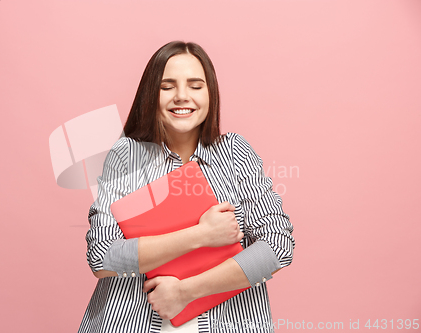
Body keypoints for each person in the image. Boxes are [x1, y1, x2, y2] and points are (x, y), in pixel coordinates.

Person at [78, 41, 295, 333]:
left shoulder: (235, 153)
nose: (182, 97)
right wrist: (201, 234)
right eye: (167, 86)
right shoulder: (127, 155)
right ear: (151, 93)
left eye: (195, 85)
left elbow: (278, 246)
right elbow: (101, 257)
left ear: (210, 93)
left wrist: (186, 292)